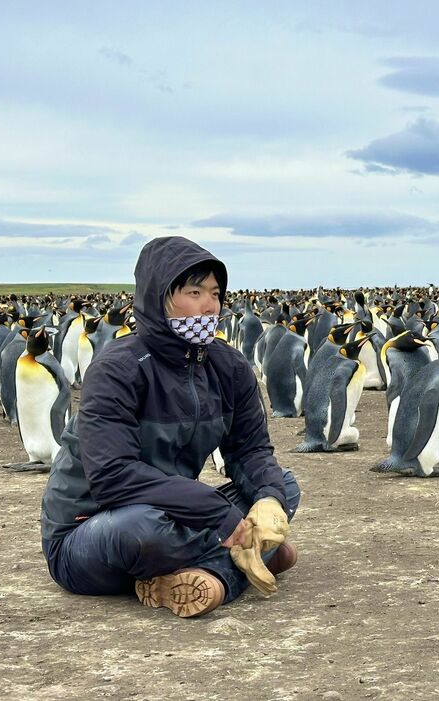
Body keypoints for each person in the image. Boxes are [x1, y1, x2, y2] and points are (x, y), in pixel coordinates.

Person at [40, 236, 300, 618]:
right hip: (93, 529)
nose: (209, 305)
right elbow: (113, 477)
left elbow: (250, 451)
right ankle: (239, 566)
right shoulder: (119, 368)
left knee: (284, 485)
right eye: (194, 292)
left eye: (214, 293)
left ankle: (205, 572)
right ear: (157, 297)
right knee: (143, 526)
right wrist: (218, 515)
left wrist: (267, 499)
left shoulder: (228, 367)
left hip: (174, 512)